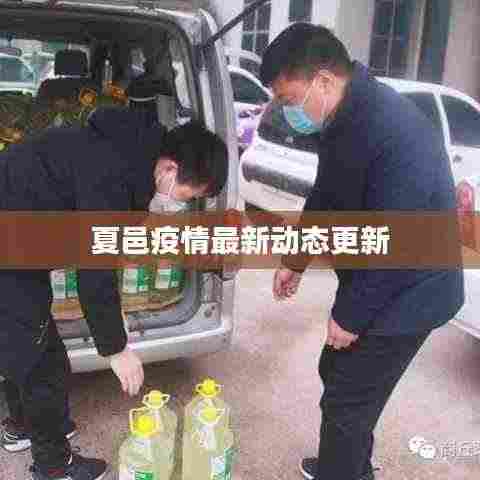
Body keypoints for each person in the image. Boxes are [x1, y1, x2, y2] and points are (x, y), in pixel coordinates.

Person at [262, 24, 464, 480]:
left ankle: (343, 468)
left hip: (414, 289)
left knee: (346, 400)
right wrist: (295, 260)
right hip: (380, 275)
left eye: (288, 100)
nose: (286, 111)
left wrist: (351, 315)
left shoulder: (393, 130)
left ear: (323, 81)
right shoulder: (343, 119)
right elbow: (325, 196)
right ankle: (349, 464)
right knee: (337, 374)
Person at [0, 107, 228, 480]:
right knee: (41, 363)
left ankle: (23, 426)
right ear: (170, 169)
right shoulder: (111, 175)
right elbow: (94, 272)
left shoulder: (126, 155)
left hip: (20, 243)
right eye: (188, 194)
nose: (181, 203)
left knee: (27, 342)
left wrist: (113, 315)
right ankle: (53, 468)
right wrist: (116, 349)